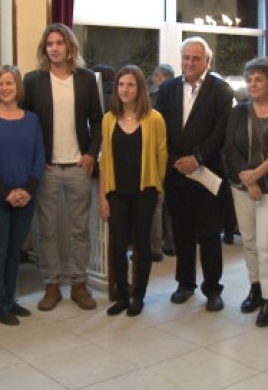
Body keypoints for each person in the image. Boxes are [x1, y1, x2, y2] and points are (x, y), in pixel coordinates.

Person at [23, 23, 103, 311]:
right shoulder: (33, 80)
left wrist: (91, 153)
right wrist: (36, 158)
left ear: (69, 46)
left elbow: (98, 120)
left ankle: (79, 284)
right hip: (48, 168)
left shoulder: (86, 79)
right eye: (50, 44)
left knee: (80, 229)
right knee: (47, 230)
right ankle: (52, 285)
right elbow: (26, 123)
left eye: (59, 43)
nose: (54, 48)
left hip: (79, 166)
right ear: (44, 49)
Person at [155, 36, 233, 311]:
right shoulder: (167, 89)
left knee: (210, 235)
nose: (189, 63)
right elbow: (159, 129)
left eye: (196, 58)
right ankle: (185, 284)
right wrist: (176, 160)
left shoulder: (221, 90)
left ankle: (212, 289)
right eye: (186, 57)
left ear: (207, 61)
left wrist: (196, 158)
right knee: (182, 232)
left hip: (207, 173)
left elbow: (221, 131)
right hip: (176, 172)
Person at [224, 57, 268, 327]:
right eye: (249, 79)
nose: (253, 84)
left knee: (267, 244)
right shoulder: (239, 111)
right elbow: (230, 148)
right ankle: (254, 287)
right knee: (250, 240)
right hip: (242, 184)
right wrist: (249, 178)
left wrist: (257, 174)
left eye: (259, 79)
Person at [0, 65, 44, 325]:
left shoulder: (32, 120)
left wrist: (27, 191)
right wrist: (6, 192)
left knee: (15, 252)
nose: (5, 88)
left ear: (18, 87)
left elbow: (39, 158)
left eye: (9, 83)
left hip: (25, 199)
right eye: (0, 83)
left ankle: (10, 298)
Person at [99, 65, 167, 317]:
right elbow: (104, 161)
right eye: (121, 84)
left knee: (142, 243)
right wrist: (103, 197)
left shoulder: (154, 119)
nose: (125, 89)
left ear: (139, 88)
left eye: (130, 85)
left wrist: (157, 188)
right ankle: (122, 296)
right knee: (118, 245)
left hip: (144, 192)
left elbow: (161, 155)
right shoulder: (108, 119)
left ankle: (139, 295)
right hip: (116, 192)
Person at [150, 63, 176, 259]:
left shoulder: (153, 99)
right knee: (171, 203)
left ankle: (155, 247)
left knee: (157, 202)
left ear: (160, 77)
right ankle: (172, 243)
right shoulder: (179, 98)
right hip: (175, 154)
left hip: (157, 155)